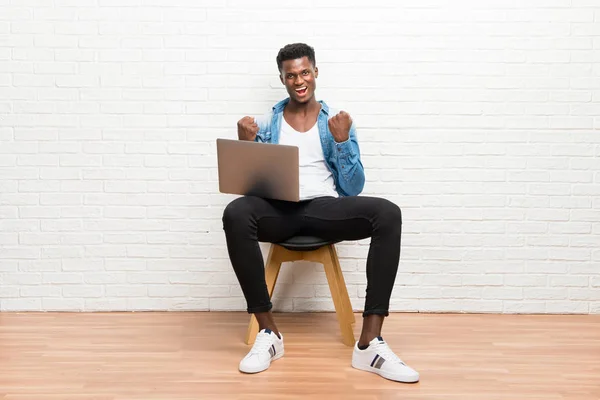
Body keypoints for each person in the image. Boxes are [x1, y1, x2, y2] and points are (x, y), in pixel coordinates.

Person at [222, 43, 419, 383]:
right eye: (291, 75)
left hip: (324, 207)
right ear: (282, 79)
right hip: (279, 210)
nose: (299, 80)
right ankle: (269, 335)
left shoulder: (336, 122)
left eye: (305, 72)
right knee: (235, 212)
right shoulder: (268, 123)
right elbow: (251, 189)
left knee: (388, 213)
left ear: (315, 72)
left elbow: (353, 187)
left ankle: (370, 342)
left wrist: (342, 142)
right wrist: (247, 146)